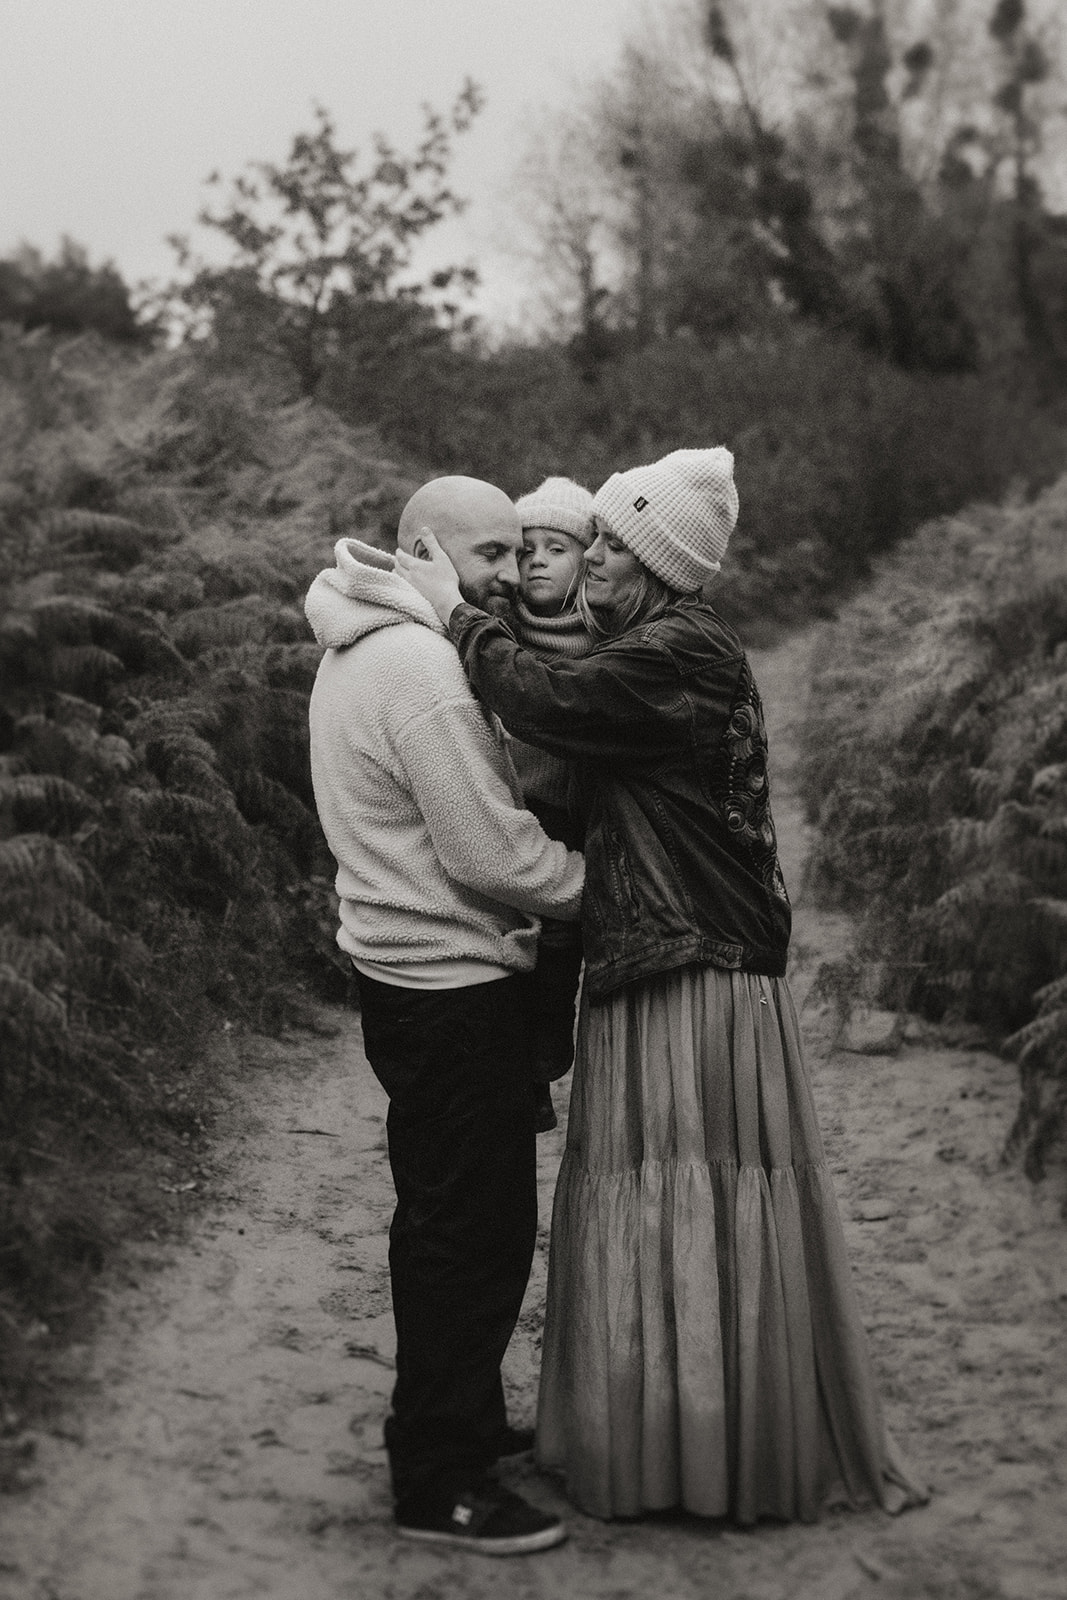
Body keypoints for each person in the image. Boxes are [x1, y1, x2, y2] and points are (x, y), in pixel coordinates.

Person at [395, 448, 930, 1526]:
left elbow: (538, 696)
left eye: (606, 543)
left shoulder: (673, 653)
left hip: (697, 969)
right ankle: (665, 1444)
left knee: (693, 1193)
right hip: (667, 955)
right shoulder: (657, 642)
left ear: (649, 563)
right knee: (669, 1198)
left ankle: (702, 1458)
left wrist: (453, 613)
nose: (585, 556)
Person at [305, 475, 584, 1555]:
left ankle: (458, 1421)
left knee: (456, 1217)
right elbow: (489, 852)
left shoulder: (353, 639)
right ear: (423, 547)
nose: (511, 578)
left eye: (522, 555)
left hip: (408, 975)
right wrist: (617, 887)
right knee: (466, 1232)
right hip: (453, 984)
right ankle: (437, 1478)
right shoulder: (420, 665)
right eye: (491, 558)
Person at [509, 477, 596, 1133]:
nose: (536, 558)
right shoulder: (497, 634)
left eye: (555, 547)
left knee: (562, 943)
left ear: (586, 558)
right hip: (508, 808)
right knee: (512, 934)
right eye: (525, 546)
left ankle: (542, 1061)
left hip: (577, 817)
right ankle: (516, 1073)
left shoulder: (606, 641)